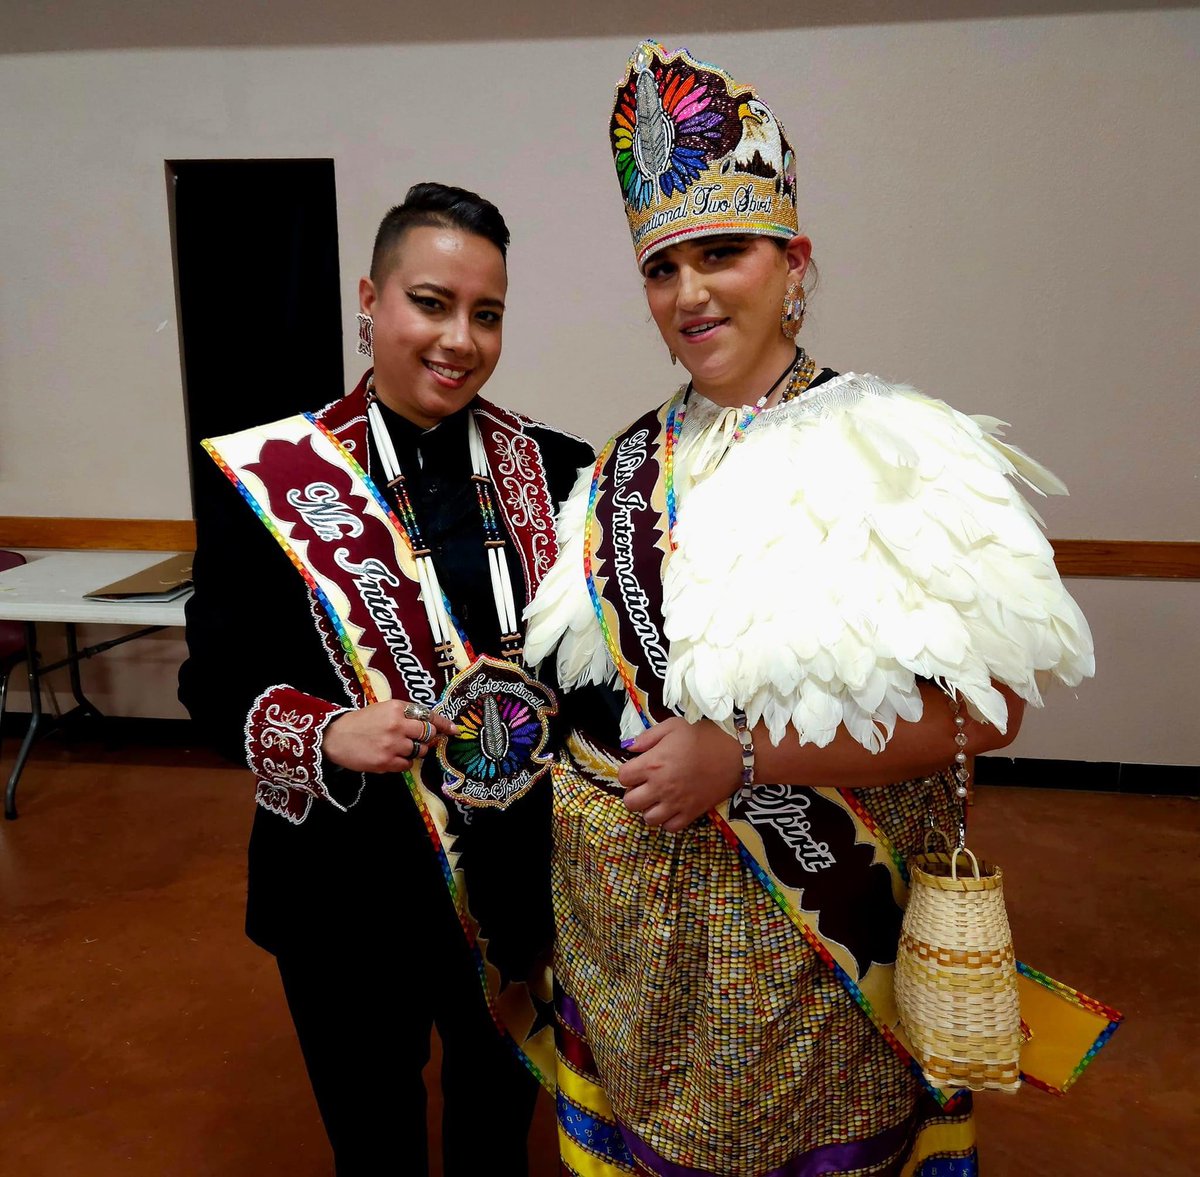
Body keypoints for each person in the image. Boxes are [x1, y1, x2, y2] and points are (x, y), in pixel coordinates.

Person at [524, 44, 1097, 1176]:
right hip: (639, 960)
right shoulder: (619, 467)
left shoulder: (901, 446)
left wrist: (737, 760)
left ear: (795, 260)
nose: (689, 294)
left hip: (811, 963)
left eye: (722, 254)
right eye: (663, 266)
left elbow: (993, 716)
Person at [179, 182, 593, 1175]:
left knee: (499, 1130)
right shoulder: (274, 477)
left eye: (485, 314)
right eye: (430, 302)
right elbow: (211, 679)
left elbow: (597, 676)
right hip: (342, 885)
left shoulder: (561, 467)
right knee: (373, 1138)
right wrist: (325, 733)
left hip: (513, 886)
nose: (459, 339)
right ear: (369, 300)